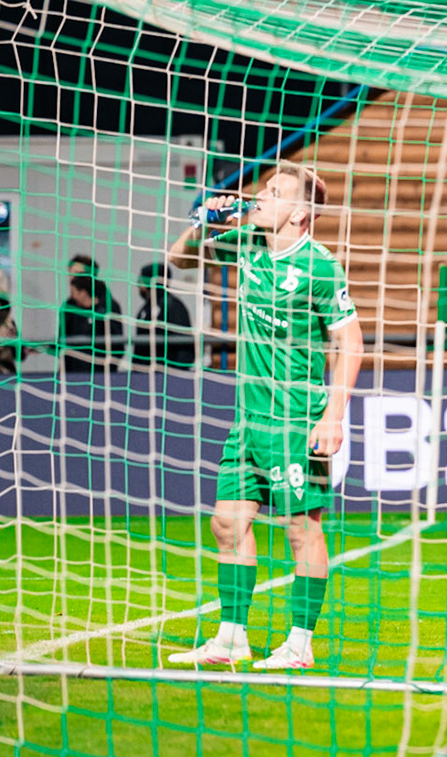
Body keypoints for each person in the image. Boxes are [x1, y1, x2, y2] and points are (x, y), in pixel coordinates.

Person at [164, 163, 364, 669]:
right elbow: (179, 260)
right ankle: (232, 637)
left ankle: (300, 644)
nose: (259, 197)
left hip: (297, 418)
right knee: (226, 525)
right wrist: (203, 221)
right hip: (247, 418)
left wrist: (334, 416)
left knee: (301, 529)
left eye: (273, 193)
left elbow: (351, 343)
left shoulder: (319, 267)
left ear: (298, 213)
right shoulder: (246, 244)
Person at [131, 262, 197, 369]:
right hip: (145, 375)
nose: (138, 284)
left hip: (167, 375)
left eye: (141, 279)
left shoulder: (172, 306)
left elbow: (185, 347)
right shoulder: (144, 310)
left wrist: (177, 372)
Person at [60, 273, 123, 374]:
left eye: (73, 292)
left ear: (83, 293)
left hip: (101, 373)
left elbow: (117, 344)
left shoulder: (107, 310)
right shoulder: (72, 310)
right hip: (74, 373)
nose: (72, 297)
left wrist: (110, 367)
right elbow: (63, 339)